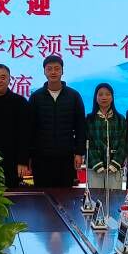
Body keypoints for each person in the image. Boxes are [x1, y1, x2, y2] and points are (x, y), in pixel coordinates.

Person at [28, 55, 86, 188]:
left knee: (66, 194)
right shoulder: (36, 97)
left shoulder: (73, 96)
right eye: (49, 69)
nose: (53, 72)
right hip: (41, 157)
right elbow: (30, 128)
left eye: (57, 68)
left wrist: (79, 152)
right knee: (43, 194)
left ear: (62, 71)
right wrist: (29, 155)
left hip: (66, 156)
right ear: (44, 72)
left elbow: (80, 127)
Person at [85, 83, 127, 190]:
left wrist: (115, 164)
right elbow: (87, 142)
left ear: (112, 97)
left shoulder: (120, 119)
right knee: (96, 197)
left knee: (114, 197)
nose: (104, 97)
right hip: (94, 168)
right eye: (100, 94)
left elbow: (124, 142)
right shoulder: (89, 119)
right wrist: (97, 164)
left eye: (108, 94)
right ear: (96, 98)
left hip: (115, 169)